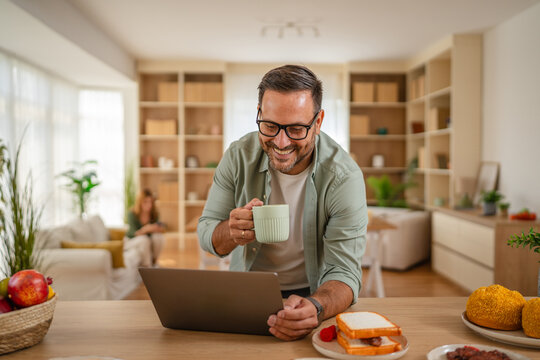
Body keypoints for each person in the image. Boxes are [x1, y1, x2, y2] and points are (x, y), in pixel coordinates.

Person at [198, 65, 367, 341]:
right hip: (246, 293)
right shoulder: (238, 156)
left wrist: (315, 306)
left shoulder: (343, 177)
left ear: (319, 121)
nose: (281, 141)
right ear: (259, 113)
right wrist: (231, 231)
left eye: (297, 129)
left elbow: (345, 273)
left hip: (314, 293)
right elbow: (206, 235)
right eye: (270, 126)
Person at [127, 188, 165, 267]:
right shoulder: (132, 214)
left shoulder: (154, 214)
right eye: (145, 202)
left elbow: (161, 228)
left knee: (159, 237)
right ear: (140, 202)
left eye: (150, 202)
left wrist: (155, 228)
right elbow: (134, 233)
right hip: (132, 240)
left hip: (147, 240)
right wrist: (145, 229)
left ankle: (154, 261)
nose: (149, 205)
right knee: (144, 239)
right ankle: (147, 266)